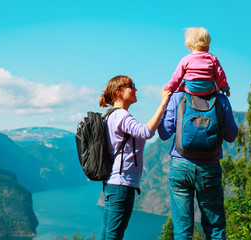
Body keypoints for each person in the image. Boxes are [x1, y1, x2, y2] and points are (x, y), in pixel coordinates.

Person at [158, 91, 238, 240]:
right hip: (209, 169)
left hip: (180, 166)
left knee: (182, 231)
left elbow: (164, 133)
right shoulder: (221, 99)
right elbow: (231, 135)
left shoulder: (177, 97)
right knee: (215, 229)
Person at [99, 75, 172, 240]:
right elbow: (146, 132)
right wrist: (163, 103)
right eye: (131, 85)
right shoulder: (121, 116)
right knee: (113, 235)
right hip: (122, 182)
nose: (135, 88)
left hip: (112, 182)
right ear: (118, 92)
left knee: (107, 234)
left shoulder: (109, 115)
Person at [165, 27, 231, 97]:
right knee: (216, 87)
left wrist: (169, 88)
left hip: (191, 89)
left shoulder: (186, 59)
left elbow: (176, 77)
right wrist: (225, 88)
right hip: (208, 89)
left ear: (190, 46)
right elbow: (220, 76)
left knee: (181, 84)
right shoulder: (213, 59)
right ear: (208, 44)